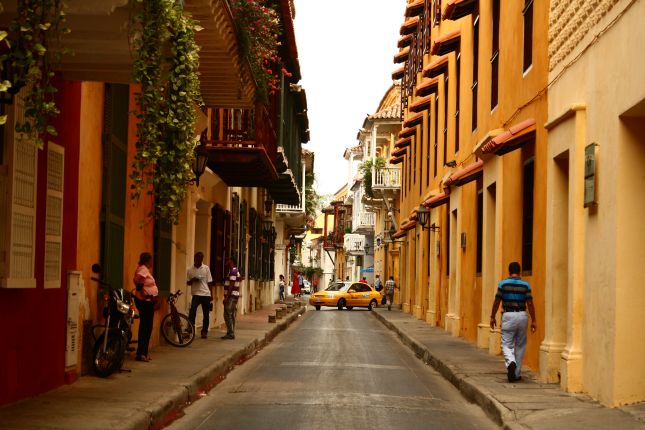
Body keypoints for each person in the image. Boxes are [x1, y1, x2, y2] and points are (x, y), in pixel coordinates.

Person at [489, 261, 537, 382]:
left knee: (506, 343)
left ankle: (511, 362)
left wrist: (492, 316)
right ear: (520, 271)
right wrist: (534, 320)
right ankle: (516, 374)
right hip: (522, 315)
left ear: (509, 271)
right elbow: (530, 303)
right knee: (520, 345)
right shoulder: (526, 285)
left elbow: (497, 301)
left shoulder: (503, 285)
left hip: (508, 315)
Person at [132, 252, 159, 362]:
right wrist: (145, 294)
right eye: (151, 260)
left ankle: (142, 353)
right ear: (147, 260)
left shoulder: (143, 269)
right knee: (146, 327)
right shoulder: (143, 269)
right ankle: (142, 354)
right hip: (145, 301)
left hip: (146, 301)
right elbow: (138, 282)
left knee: (146, 326)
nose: (152, 262)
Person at [187, 252, 214, 339]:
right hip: (196, 294)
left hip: (205, 294)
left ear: (202, 259)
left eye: (201, 259)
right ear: (195, 258)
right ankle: (191, 329)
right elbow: (188, 283)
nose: (199, 260)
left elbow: (209, 282)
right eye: (197, 258)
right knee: (192, 311)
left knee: (206, 314)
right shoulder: (190, 269)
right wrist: (193, 280)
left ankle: (204, 332)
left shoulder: (206, 268)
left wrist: (211, 294)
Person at [222, 257, 241, 340]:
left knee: (227, 313)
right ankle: (230, 331)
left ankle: (230, 333)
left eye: (228, 260)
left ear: (231, 261)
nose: (226, 261)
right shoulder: (232, 271)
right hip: (233, 296)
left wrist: (227, 297)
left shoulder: (233, 271)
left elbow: (231, 285)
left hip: (231, 296)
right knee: (231, 314)